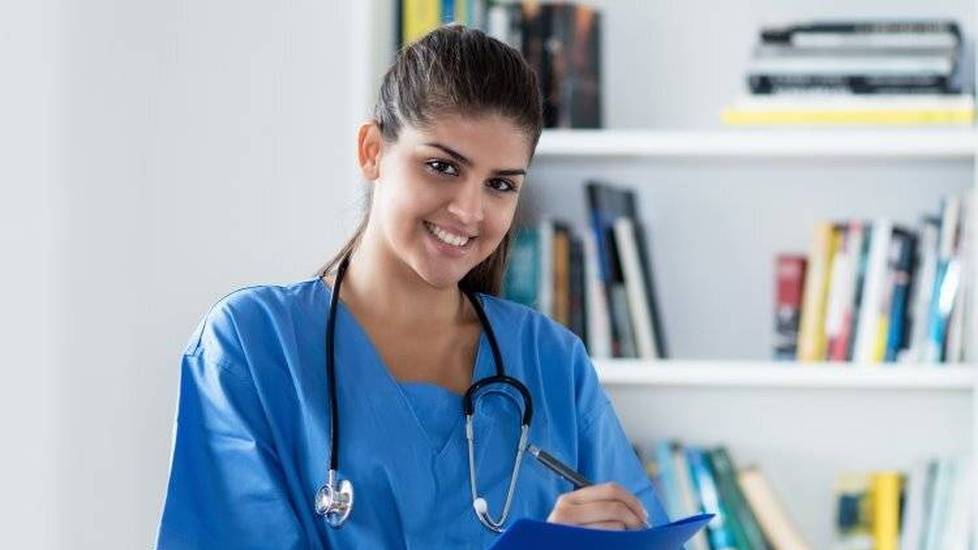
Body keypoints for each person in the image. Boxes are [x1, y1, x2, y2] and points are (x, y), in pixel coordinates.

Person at [156, 24, 668, 549]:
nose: (470, 211)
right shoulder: (252, 346)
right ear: (372, 150)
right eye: (442, 167)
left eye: (500, 184)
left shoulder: (553, 362)